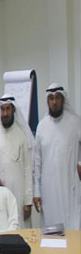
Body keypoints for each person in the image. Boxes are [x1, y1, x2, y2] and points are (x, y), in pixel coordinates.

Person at [33, 83, 81, 229]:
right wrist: (36, 192)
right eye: (51, 98)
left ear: (63, 99)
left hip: (70, 186)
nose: (54, 102)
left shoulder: (76, 122)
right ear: (47, 101)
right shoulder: (41, 126)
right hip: (49, 190)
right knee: (51, 230)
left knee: (72, 226)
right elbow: (37, 162)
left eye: (58, 98)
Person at [0, 94, 34, 228]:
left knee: (20, 229)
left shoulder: (22, 134)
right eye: (2, 109)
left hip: (19, 195)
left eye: (8, 109)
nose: (5, 113)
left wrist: (28, 201)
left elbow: (28, 169)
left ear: (13, 110)